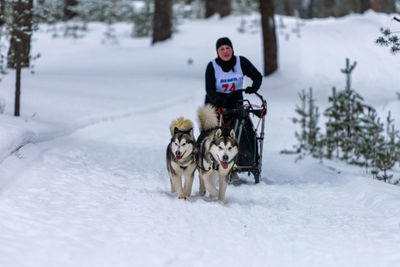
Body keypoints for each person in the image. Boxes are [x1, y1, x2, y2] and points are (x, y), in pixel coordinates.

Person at [205, 37, 262, 109]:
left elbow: (257, 76)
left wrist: (254, 88)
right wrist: (217, 100)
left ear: (232, 49)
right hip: (215, 104)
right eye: (222, 49)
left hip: (235, 103)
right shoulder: (212, 66)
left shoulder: (241, 62)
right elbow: (209, 89)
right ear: (217, 52)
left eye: (228, 48)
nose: (225, 51)